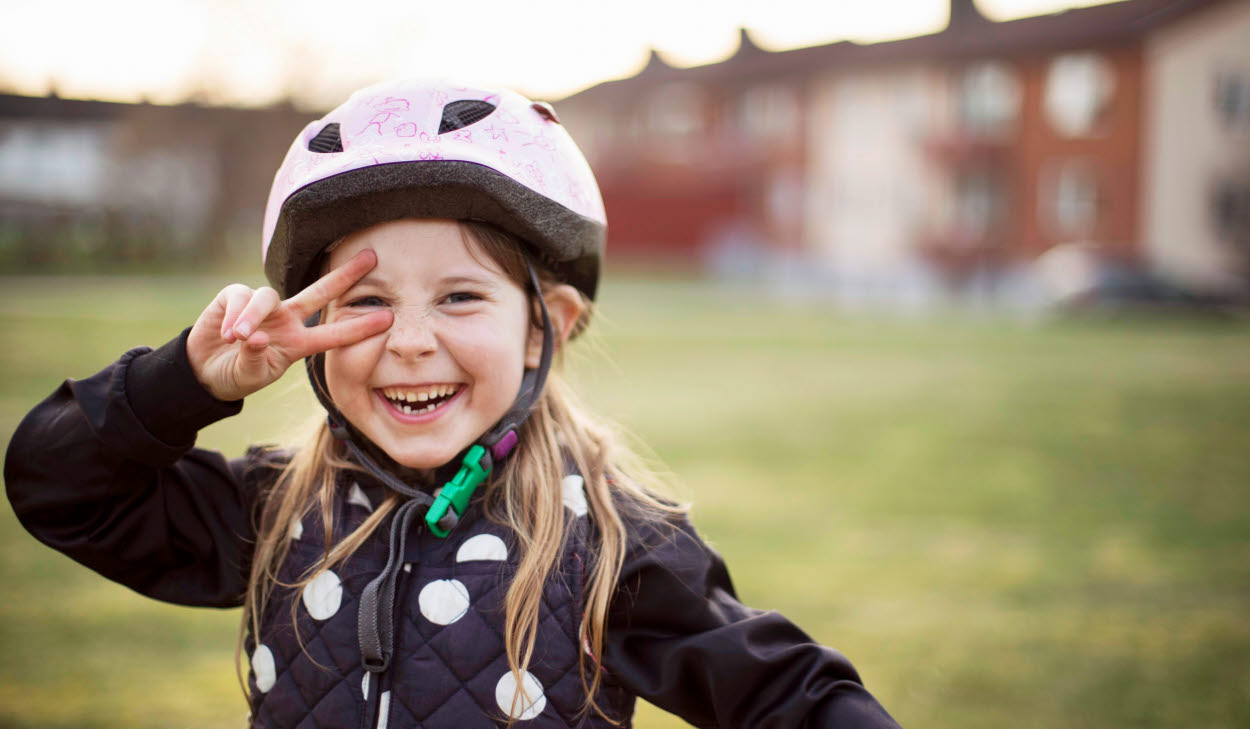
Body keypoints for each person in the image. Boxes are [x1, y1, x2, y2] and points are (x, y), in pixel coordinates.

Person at [4, 79, 901, 729]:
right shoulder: (280, 511)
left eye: (460, 296)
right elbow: (58, 483)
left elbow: (791, 694)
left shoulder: (609, 543)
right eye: (366, 299)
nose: (408, 340)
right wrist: (184, 383)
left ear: (547, 322)